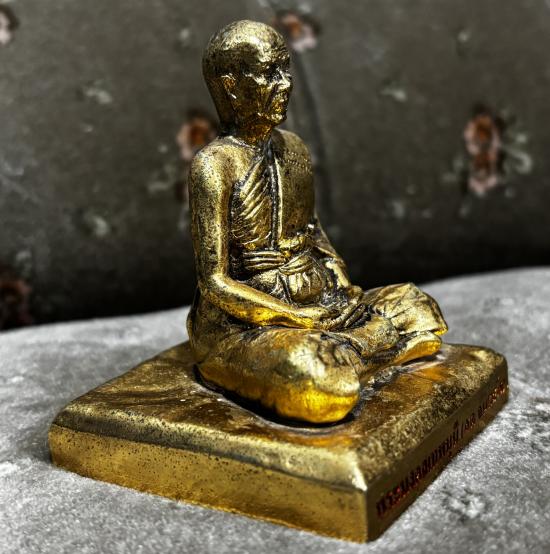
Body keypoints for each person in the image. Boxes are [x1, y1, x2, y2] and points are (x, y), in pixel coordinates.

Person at [187, 20, 447, 423]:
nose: (286, 83)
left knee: (418, 307)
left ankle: (346, 357)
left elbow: (313, 234)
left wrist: (341, 285)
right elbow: (215, 283)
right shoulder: (214, 165)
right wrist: (297, 319)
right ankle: (353, 357)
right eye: (270, 72)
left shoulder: (294, 148)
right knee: (311, 376)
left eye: (286, 69)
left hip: (316, 301)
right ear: (231, 86)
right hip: (245, 327)